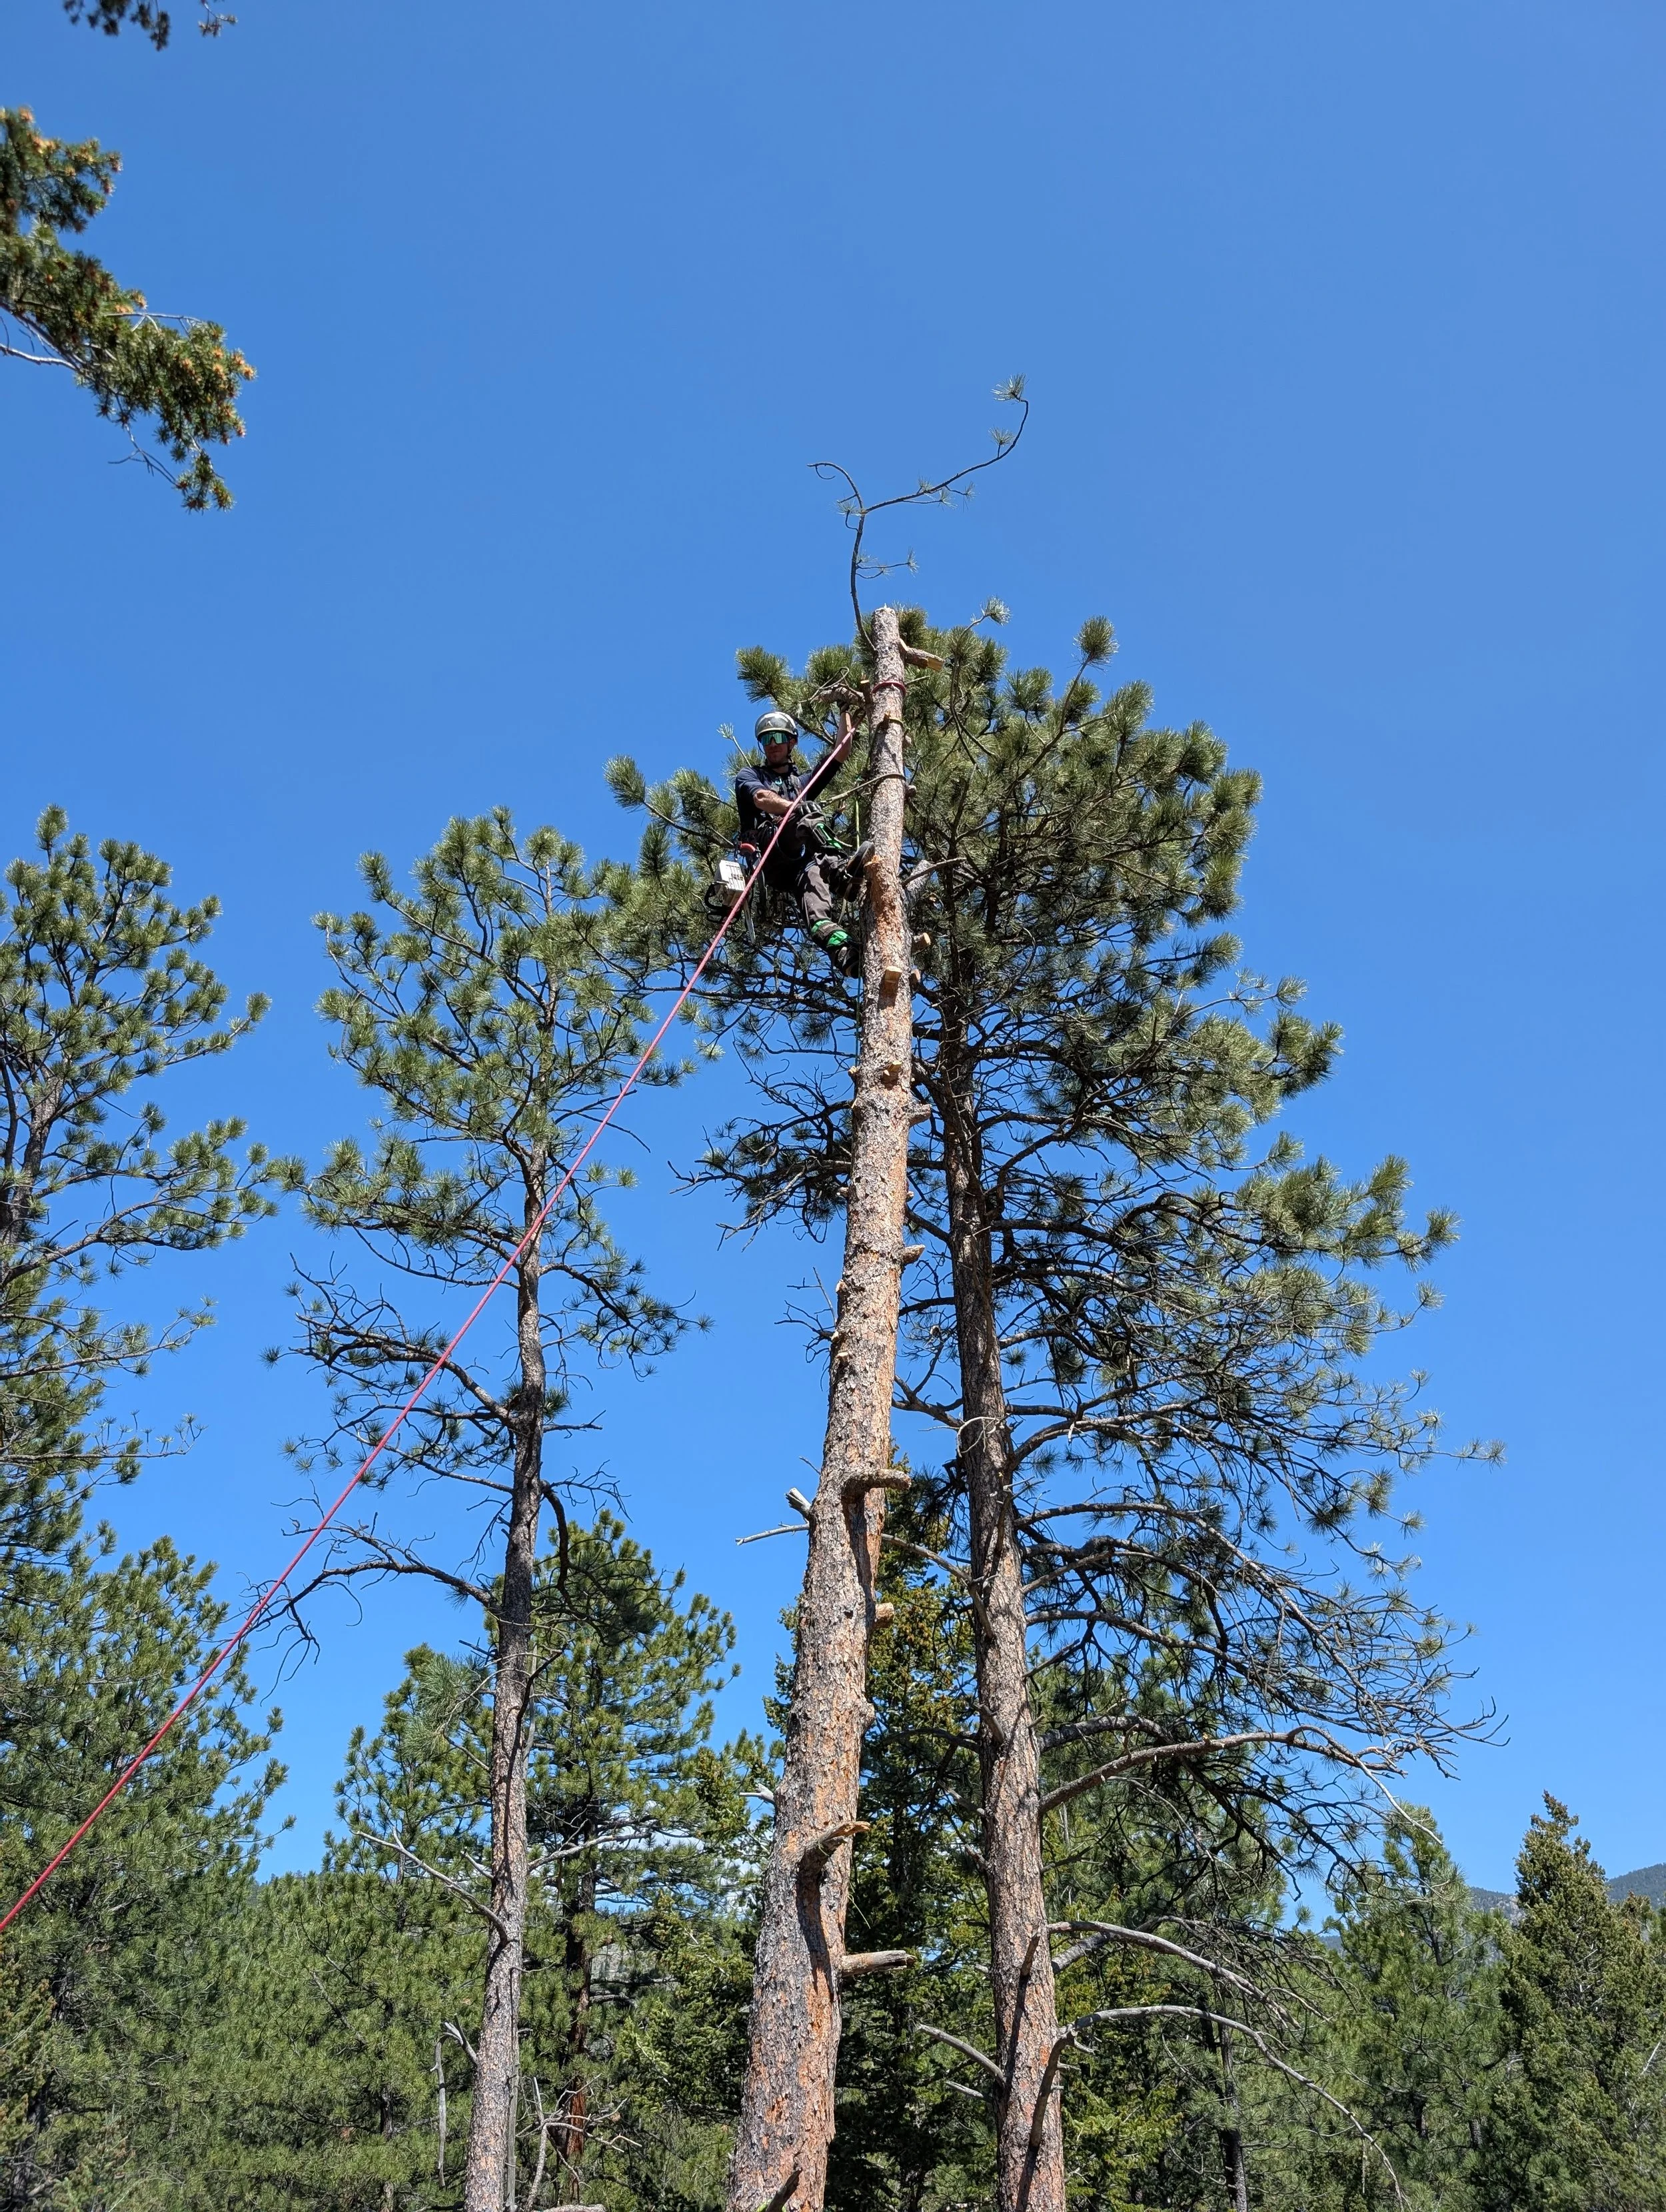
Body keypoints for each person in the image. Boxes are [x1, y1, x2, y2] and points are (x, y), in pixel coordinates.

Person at [734, 708, 860, 970]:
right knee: (807, 812)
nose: (771, 745)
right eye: (766, 740)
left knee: (815, 899)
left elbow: (841, 752)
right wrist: (796, 807)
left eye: (777, 738)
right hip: (772, 854)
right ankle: (839, 874)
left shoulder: (801, 783)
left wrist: (845, 708)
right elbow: (761, 799)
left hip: (801, 866)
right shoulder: (751, 775)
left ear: (791, 742)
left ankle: (844, 953)